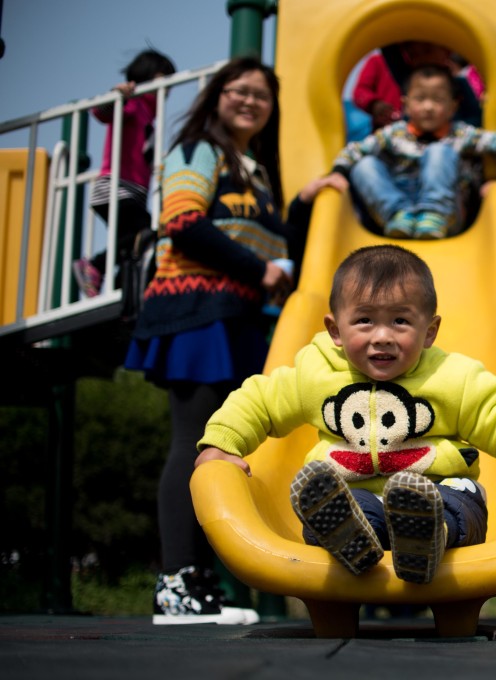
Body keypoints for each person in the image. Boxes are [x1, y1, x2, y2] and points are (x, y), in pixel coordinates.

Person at [195, 244, 496, 584]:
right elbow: (260, 400)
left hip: (445, 493)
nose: (383, 336)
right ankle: (354, 539)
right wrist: (220, 443)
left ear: (429, 331)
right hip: (356, 496)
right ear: (336, 331)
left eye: (401, 321)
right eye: (365, 321)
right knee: (344, 507)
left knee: (451, 503)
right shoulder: (315, 373)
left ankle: (427, 534)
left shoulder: (452, 377)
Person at [122, 56, 345, 625]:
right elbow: (184, 223)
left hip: (235, 314)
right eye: (238, 90)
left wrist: (303, 202)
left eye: (261, 96)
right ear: (216, 96)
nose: (250, 101)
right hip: (196, 307)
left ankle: (201, 588)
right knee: (194, 442)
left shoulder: (255, 170)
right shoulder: (197, 149)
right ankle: (176, 586)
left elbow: (277, 242)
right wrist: (257, 270)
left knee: (222, 446)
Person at [328, 64, 496, 240]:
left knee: (438, 151)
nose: (428, 107)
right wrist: (338, 173)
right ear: (406, 105)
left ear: (453, 107)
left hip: (447, 213)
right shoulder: (394, 134)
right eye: (420, 99)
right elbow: (354, 150)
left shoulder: (460, 134)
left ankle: (433, 214)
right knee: (364, 165)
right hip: (399, 214)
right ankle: (399, 215)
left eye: (438, 100)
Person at [73, 48, 176, 299]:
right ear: (145, 78)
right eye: (164, 80)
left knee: (135, 244)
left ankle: (121, 287)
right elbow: (101, 112)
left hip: (133, 193)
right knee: (143, 235)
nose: (168, 89)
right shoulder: (134, 104)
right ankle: (95, 266)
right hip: (115, 188)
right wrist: (117, 96)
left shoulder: (150, 120)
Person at [352, 50, 403, 131]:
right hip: (384, 128)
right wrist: (374, 104)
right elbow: (360, 91)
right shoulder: (377, 61)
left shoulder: (421, 60)